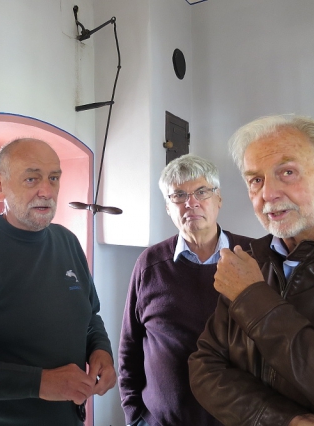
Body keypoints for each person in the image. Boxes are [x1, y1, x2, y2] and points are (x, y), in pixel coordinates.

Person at [188, 114, 314, 426]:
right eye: (255, 180)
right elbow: (204, 368)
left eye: (287, 172)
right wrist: (286, 420)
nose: (268, 194)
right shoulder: (249, 259)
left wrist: (253, 298)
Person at [0, 138, 116, 426]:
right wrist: (40, 382)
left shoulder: (67, 242)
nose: (46, 191)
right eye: (31, 178)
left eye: (53, 178)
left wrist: (101, 350)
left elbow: (90, 317)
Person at [118, 154, 252, 426]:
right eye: (179, 195)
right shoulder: (149, 264)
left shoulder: (252, 257)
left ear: (218, 199)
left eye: (201, 191)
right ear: (168, 208)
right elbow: (129, 348)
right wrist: (135, 417)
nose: (191, 203)